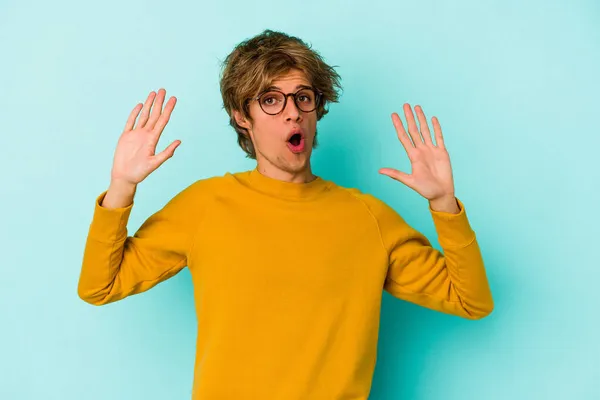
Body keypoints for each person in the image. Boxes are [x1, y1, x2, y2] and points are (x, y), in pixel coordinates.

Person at [77, 29, 494, 399]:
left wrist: (444, 204)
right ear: (243, 117)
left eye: (303, 98)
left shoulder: (369, 218)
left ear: (316, 109)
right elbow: (99, 286)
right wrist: (122, 188)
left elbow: (471, 300)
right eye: (271, 100)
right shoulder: (205, 206)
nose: (292, 112)